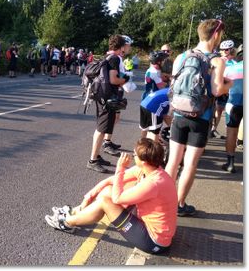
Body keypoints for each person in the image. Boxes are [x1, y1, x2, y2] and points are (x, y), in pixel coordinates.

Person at [46, 138, 177, 255]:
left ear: (143, 161)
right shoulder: (151, 169)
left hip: (155, 242)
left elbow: (117, 198)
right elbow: (110, 181)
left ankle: (66, 222)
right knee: (108, 190)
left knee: (105, 201)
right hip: (148, 224)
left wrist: (120, 167)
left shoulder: (153, 183)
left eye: (135, 155)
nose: (132, 156)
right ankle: (76, 211)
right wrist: (88, 197)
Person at [165, 19, 233, 216]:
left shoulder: (182, 56)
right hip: (200, 117)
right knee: (190, 164)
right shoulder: (217, 60)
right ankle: (179, 204)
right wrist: (228, 84)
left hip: (179, 113)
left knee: (173, 161)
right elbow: (217, 90)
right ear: (216, 35)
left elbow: (174, 82)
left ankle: (164, 200)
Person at [87, 34, 131, 173]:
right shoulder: (114, 59)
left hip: (102, 96)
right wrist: (126, 79)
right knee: (101, 129)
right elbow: (113, 80)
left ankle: (97, 155)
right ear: (122, 46)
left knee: (102, 127)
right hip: (106, 98)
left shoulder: (108, 56)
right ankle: (92, 160)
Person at [221, 44, 243, 173]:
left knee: (231, 133)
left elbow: (222, 87)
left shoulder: (232, 68)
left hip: (233, 103)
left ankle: (230, 163)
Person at [210, 39, 237, 139]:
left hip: (229, 90)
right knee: (217, 110)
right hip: (218, 89)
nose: (223, 52)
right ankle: (213, 129)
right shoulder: (216, 60)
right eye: (222, 50)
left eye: (226, 50)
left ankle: (229, 132)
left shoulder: (234, 63)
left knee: (229, 112)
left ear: (231, 50)